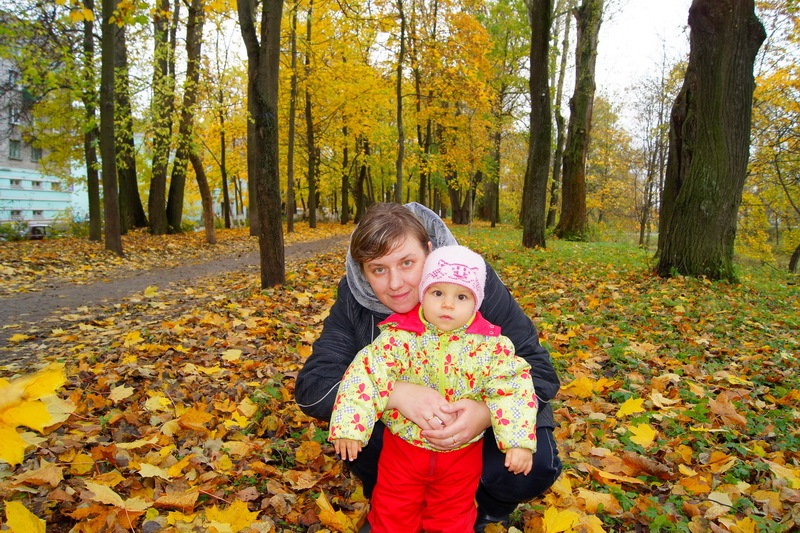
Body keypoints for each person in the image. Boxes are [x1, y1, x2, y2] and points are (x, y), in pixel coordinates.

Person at [295, 202, 562, 531]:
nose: (396, 283)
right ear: (363, 271)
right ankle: (393, 507)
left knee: (533, 465)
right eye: (378, 269)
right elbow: (313, 388)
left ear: (430, 252)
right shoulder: (354, 299)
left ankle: (486, 510)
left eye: (407, 263)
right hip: (402, 445)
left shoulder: (472, 284)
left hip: (481, 423)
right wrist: (395, 394)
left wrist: (487, 412)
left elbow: (539, 370)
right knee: (355, 424)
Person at [329, 245, 538, 532]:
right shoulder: (400, 337)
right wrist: (350, 428)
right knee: (392, 509)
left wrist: (517, 441)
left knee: (453, 516)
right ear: (423, 293)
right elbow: (365, 374)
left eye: (461, 296)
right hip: (403, 449)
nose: (448, 305)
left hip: (461, 454)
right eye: (438, 293)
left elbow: (514, 389)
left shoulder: (492, 346)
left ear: (476, 302)